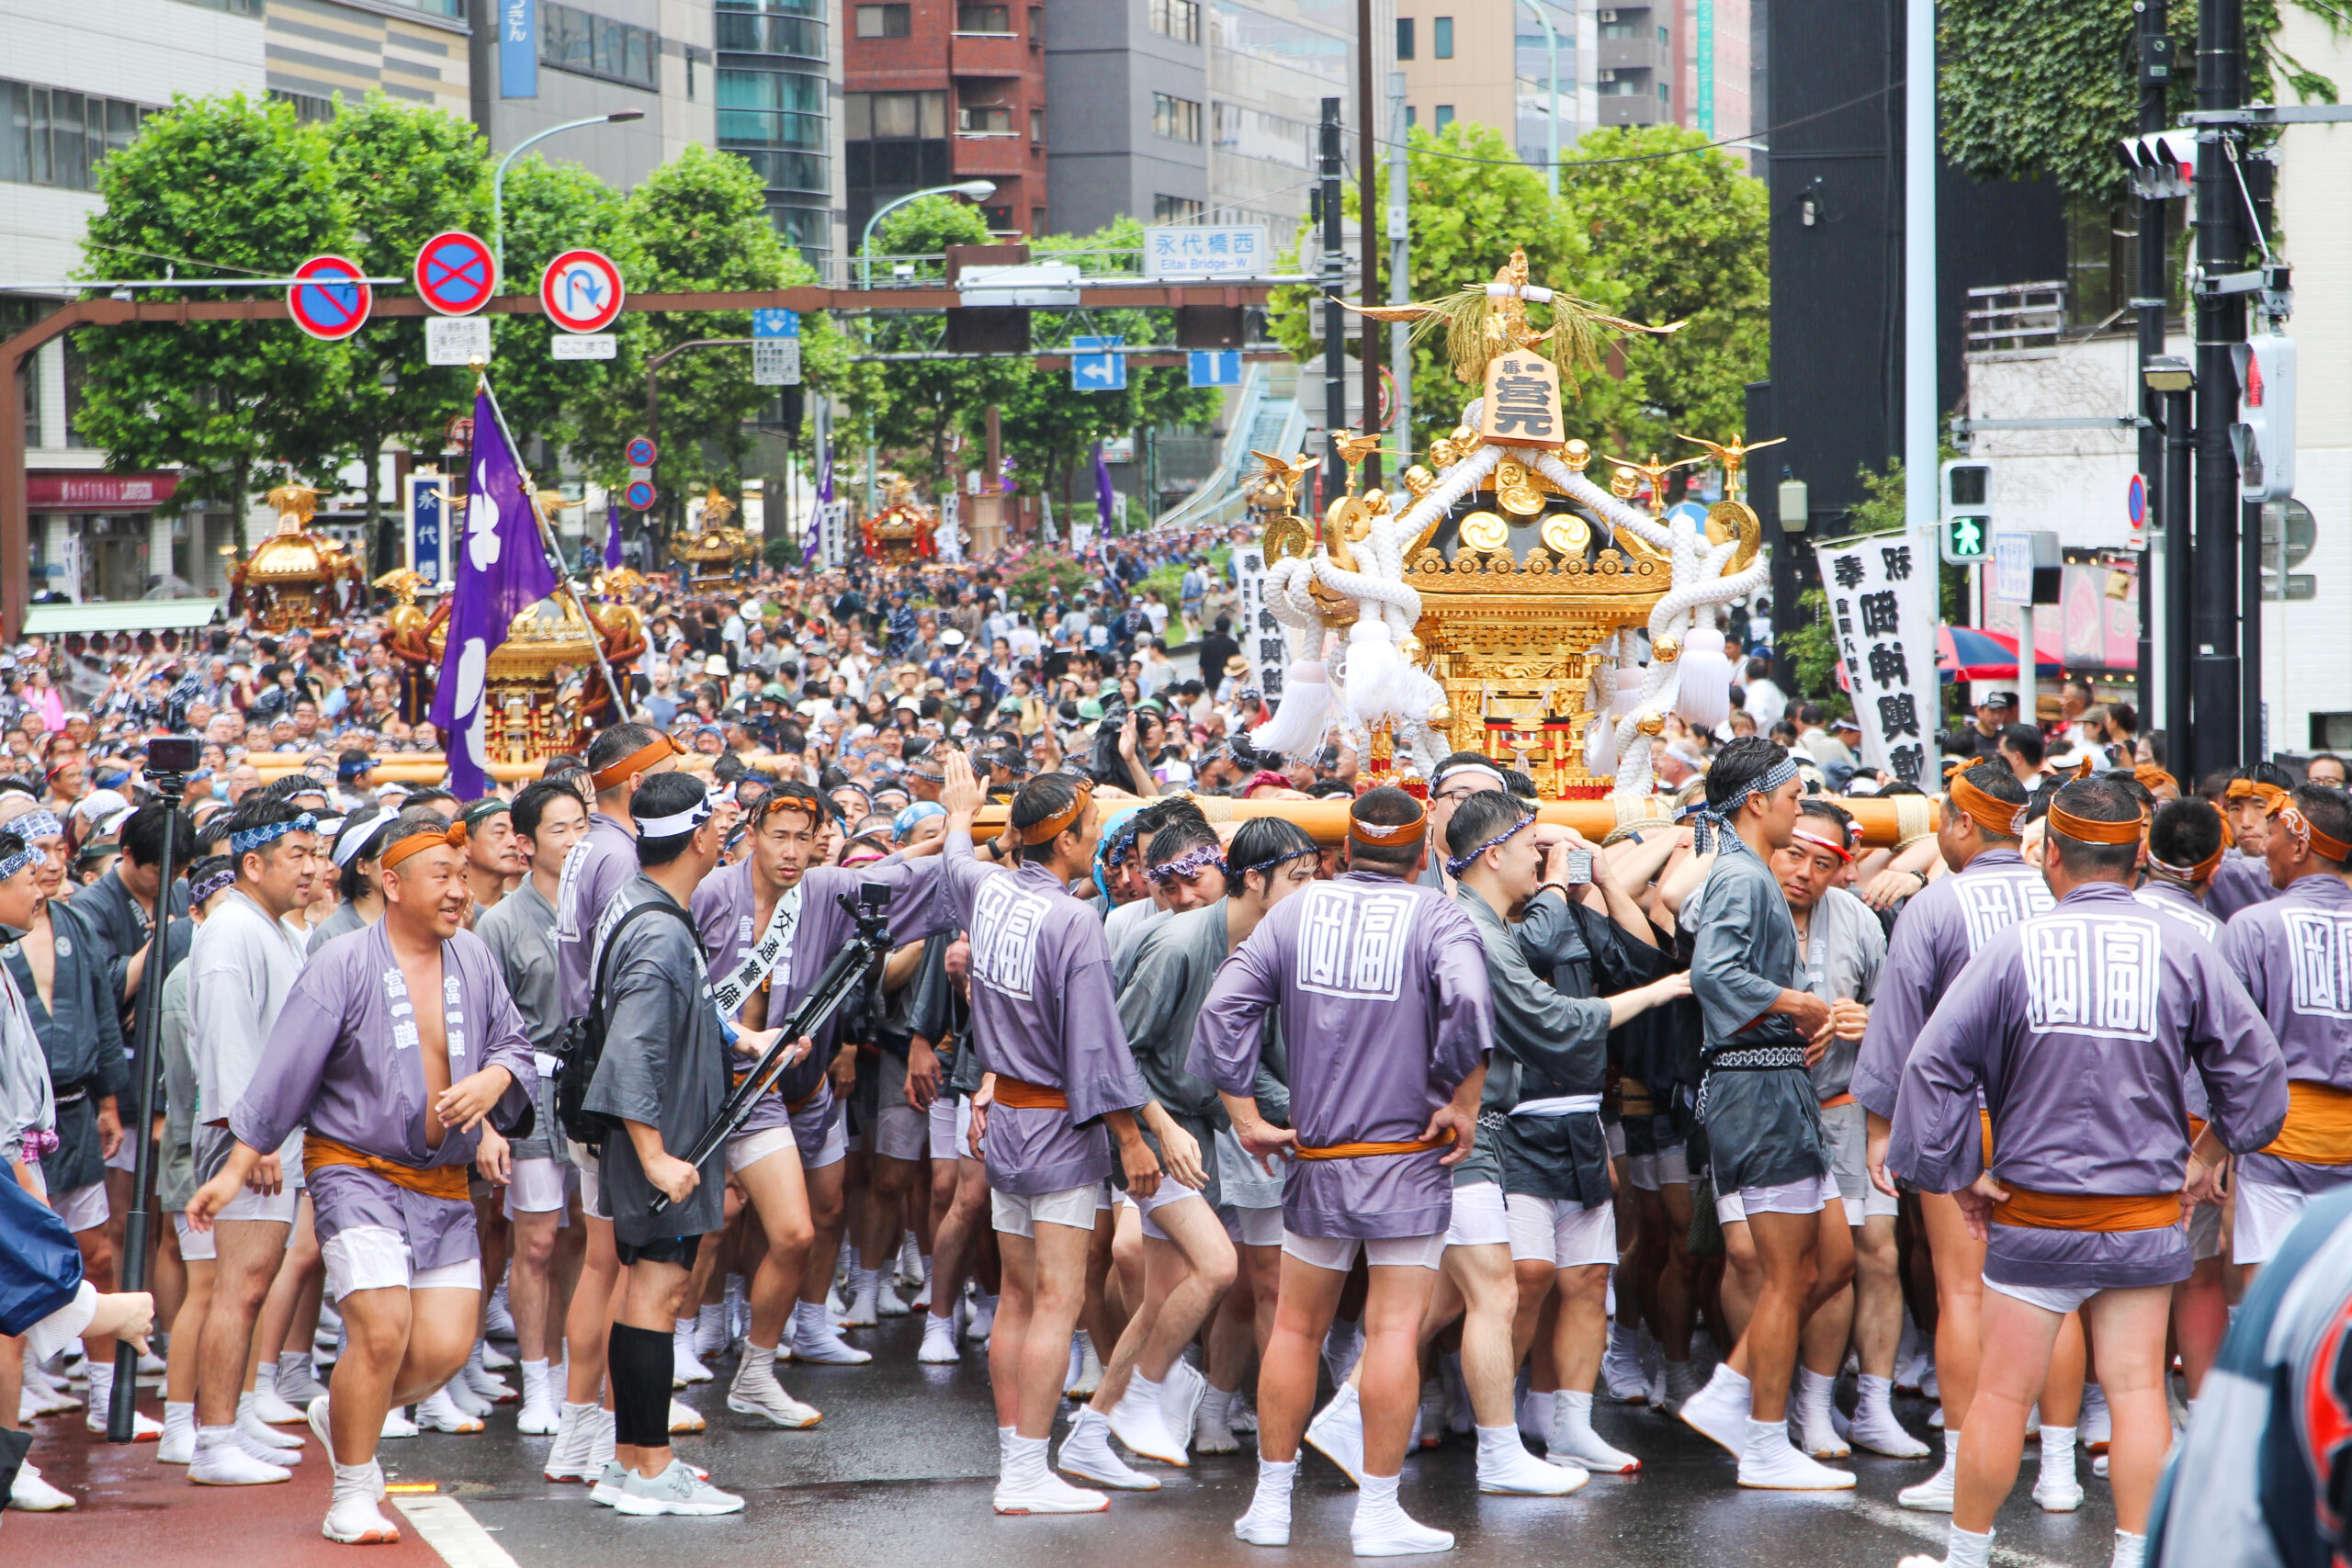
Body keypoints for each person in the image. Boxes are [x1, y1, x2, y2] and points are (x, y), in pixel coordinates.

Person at [1888, 774, 2288, 1568]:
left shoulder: (2012, 947)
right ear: (2138, 855)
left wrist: (1958, 1166)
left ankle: (1965, 1558)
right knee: (2139, 1390)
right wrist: (2211, 1152)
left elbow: (1930, 1067)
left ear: (2052, 861)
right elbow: (2258, 1073)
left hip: (2034, 1212)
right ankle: (2138, 1556)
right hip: (2145, 1211)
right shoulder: (2185, 946)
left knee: (2002, 1394)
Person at [187, 807, 537, 1545]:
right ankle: (351, 1488)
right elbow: (283, 1075)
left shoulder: (473, 955)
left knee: (442, 1348)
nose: (457, 892)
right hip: (354, 1170)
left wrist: (494, 1085)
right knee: (380, 1330)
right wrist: (235, 1170)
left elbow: (514, 1040)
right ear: (392, 881)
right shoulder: (341, 961)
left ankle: (345, 1406)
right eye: (441, 876)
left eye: (463, 877)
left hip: (441, 1182)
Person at [1190, 785, 1491, 1554]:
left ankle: (1269, 1502)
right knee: (1393, 1330)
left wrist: (1244, 1115)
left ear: (1345, 851)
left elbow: (1223, 1008)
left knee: (1295, 1325)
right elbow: (1468, 1001)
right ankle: (1377, 1511)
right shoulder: (1438, 914)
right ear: (1424, 855)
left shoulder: (1295, 910)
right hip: (1404, 1155)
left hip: (1318, 1155)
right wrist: (1463, 1098)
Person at [688, 761, 981, 1422]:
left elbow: (906, 877)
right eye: (778, 834)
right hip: (709, 1085)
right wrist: (738, 1036)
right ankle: (680, 1341)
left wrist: (958, 828)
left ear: (820, 838)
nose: (790, 850)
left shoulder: (824, 889)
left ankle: (762, 1367)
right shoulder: (708, 893)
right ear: (752, 832)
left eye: (804, 836)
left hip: (789, 1085)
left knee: (800, 1229)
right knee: (700, 1225)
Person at [1417, 789, 1686, 1490]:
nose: (1542, 853)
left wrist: (1592, 877)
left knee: (1584, 1278)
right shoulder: (1476, 918)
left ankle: (1564, 1422)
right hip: (1505, 1122)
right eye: (1531, 841)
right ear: (1494, 850)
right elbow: (1551, 1011)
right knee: (1509, 1284)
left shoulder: (1508, 910)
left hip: (1574, 1113)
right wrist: (1560, 886)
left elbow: (1627, 959)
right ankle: (1491, 1429)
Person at [940, 771, 1159, 1516]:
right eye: (1092, 821)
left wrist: (960, 815)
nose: (1099, 830)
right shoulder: (1073, 921)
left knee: (1019, 1299)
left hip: (1005, 1123)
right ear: (1063, 838)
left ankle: (1017, 1453)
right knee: (1058, 1302)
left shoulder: (990, 890)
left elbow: (954, 861)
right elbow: (1096, 1050)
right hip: (1057, 1126)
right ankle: (1027, 1470)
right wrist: (1130, 1136)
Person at [1849, 760, 2049, 1511]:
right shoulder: (2055, 892)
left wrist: (1880, 1129)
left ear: (1964, 823)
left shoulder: (1937, 904)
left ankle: (1965, 1465)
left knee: (1962, 1291)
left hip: (1961, 1112)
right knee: (2049, 1290)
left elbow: (1898, 1025)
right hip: (2046, 1114)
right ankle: (2055, 1464)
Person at [1673, 737, 1856, 1490]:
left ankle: (1732, 1398)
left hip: (1774, 1087)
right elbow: (1711, 972)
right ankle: (1761, 1438)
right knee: (1786, 1276)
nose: (1797, 806)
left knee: (1827, 1259)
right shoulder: (1742, 879)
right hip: (1756, 1088)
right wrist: (1796, 1000)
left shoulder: (1743, 873)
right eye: (1790, 795)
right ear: (1757, 801)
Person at [578, 773, 760, 1517]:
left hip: (654, 1135)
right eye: (718, 824)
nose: (724, 834)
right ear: (699, 836)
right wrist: (655, 1154)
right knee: (657, 1293)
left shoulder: (640, 901)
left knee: (644, 1295)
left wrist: (746, 1038)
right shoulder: (658, 927)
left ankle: (629, 1463)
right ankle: (651, 1468)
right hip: (659, 1143)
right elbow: (632, 1049)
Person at [1055, 819, 1247, 1491]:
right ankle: (1144, 1395)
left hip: (1184, 1128)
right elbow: (1117, 1055)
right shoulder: (1162, 941)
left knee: (1159, 1298)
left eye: (1196, 877)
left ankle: (1091, 1432)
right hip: (1141, 1133)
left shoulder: (1227, 935)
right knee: (1219, 1265)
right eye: (1169, 884)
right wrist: (1151, 1132)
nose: (1186, 895)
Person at [1772, 797, 1922, 1461]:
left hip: (1848, 1104)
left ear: (1844, 867)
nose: (1804, 872)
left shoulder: (1861, 920)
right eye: (1794, 853)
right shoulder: (1744, 903)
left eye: (1823, 862)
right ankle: (1775, 1403)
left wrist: (1867, 1020)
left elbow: (1897, 1018)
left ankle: (1863, 1403)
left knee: (1876, 1254)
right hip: (1768, 1112)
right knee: (1779, 1262)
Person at [181, 797, 322, 1486]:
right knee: (238, 1287)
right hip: (249, 1137)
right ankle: (212, 1440)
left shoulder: (273, 925)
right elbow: (228, 1039)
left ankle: (231, 1418)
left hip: (270, 1132)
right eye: (295, 854)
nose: (310, 868)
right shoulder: (232, 930)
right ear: (253, 860)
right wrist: (253, 1136)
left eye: (313, 853)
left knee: (254, 1284)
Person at [474, 780, 591, 1438]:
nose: (574, 840)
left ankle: (579, 1372)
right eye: (558, 829)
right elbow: (487, 1031)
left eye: (581, 825)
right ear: (525, 843)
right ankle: (538, 1378)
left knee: (586, 1237)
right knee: (537, 1241)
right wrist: (490, 1119)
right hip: (531, 1089)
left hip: (594, 1087)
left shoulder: (605, 905)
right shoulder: (501, 922)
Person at [2216, 782, 2352, 1274]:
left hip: (2277, 1144)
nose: (2262, 848)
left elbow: (2227, 1053)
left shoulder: (2253, 927)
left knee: (2270, 1308)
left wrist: (2210, 1149)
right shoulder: (2253, 925)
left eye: (2271, 830)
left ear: (2299, 845)